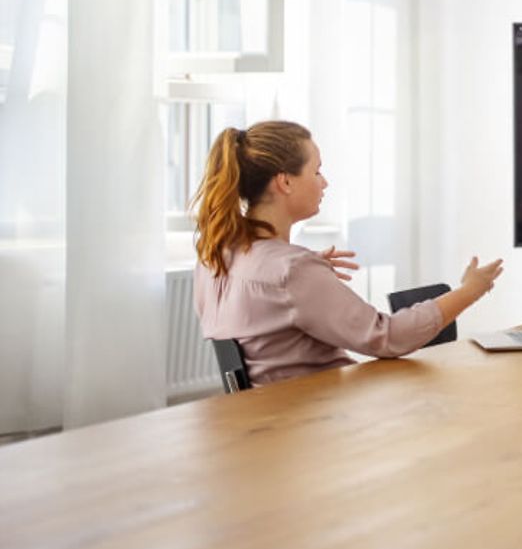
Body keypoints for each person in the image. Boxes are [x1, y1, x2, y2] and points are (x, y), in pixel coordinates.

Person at [191, 121, 504, 386]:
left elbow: (265, 315)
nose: (324, 183)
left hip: (271, 426)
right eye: (317, 172)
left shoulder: (214, 256)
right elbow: (388, 337)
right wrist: (470, 290)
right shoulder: (291, 271)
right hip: (321, 425)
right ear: (285, 182)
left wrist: (307, 277)